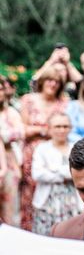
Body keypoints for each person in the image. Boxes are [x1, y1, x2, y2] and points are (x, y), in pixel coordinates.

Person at [20, 67, 68, 230]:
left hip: (55, 153)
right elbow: (23, 130)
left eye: (57, 81)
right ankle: (29, 231)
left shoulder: (63, 102)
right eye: (49, 80)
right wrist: (44, 131)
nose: (52, 84)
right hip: (31, 153)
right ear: (42, 81)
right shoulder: (29, 100)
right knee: (30, 195)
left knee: (52, 193)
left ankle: (54, 231)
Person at [31, 113, 83, 235]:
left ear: (70, 128)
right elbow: (37, 173)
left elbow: (80, 172)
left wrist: (53, 169)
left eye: (65, 126)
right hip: (46, 203)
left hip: (72, 202)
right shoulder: (42, 149)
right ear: (49, 128)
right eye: (57, 126)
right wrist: (65, 173)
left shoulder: (76, 147)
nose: (61, 130)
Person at [0, 77, 25, 226]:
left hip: (9, 163)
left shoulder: (11, 113)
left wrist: (3, 135)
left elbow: (20, 133)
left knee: (10, 208)